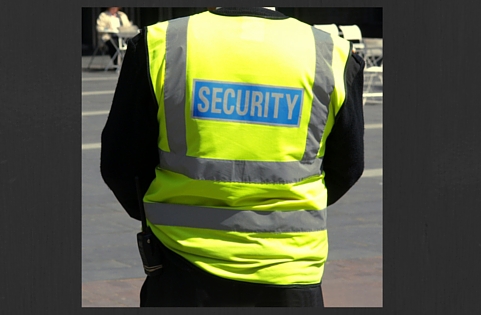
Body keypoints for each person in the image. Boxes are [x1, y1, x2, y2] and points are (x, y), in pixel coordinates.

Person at [100, 7, 365, 307]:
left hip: (181, 266)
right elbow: (348, 166)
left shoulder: (159, 44)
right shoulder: (332, 54)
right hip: (290, 271)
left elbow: (120, 164)